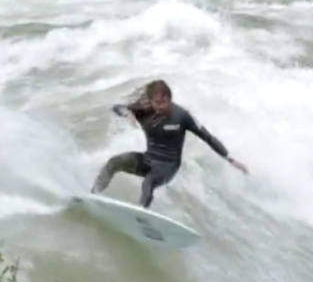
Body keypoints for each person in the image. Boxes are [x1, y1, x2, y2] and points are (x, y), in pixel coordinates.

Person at [91, 79, 248, 208]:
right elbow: (117, 107)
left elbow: (207, 137)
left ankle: (140, 215)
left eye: (165, 102)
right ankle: (92, 196)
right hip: (149, 159)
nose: (162, 106)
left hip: (169, 165)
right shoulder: (143, 111)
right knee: (114, 162)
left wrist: (230, 159)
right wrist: (128, 113)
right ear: (150, 101)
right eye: (157, 103)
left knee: (149, 182)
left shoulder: (182, 116)